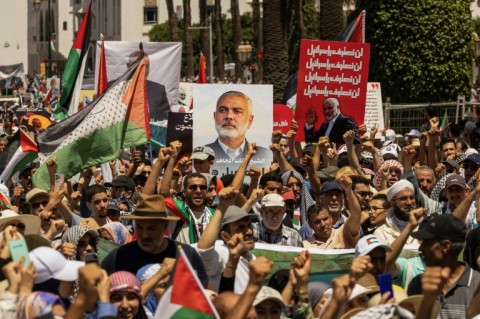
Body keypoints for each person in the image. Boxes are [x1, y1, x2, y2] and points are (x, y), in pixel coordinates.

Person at [101, 193, 209, 288]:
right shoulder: (120, 256)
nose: (144, 235)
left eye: (151, 228)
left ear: (165, 226)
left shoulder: (185, 255)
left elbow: (204, 292)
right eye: (140, 228)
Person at [408, 214, 480, 318]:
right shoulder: (418, 284)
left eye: (426, 243)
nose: (420, 249)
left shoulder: (476, 284)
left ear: (445, 246)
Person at [205, 91, 271, 170]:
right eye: (222, 110)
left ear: (250, 120)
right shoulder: (201, 153)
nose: (229, 116)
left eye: (237, 111)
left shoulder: (264, 154)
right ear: (215, 117)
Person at [110, 51, 170, 122]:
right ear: (128, 66)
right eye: (139, 66)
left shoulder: (159, 90)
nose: (143, 70)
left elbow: (166, 119)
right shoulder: (113, 87)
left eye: (146, 66)